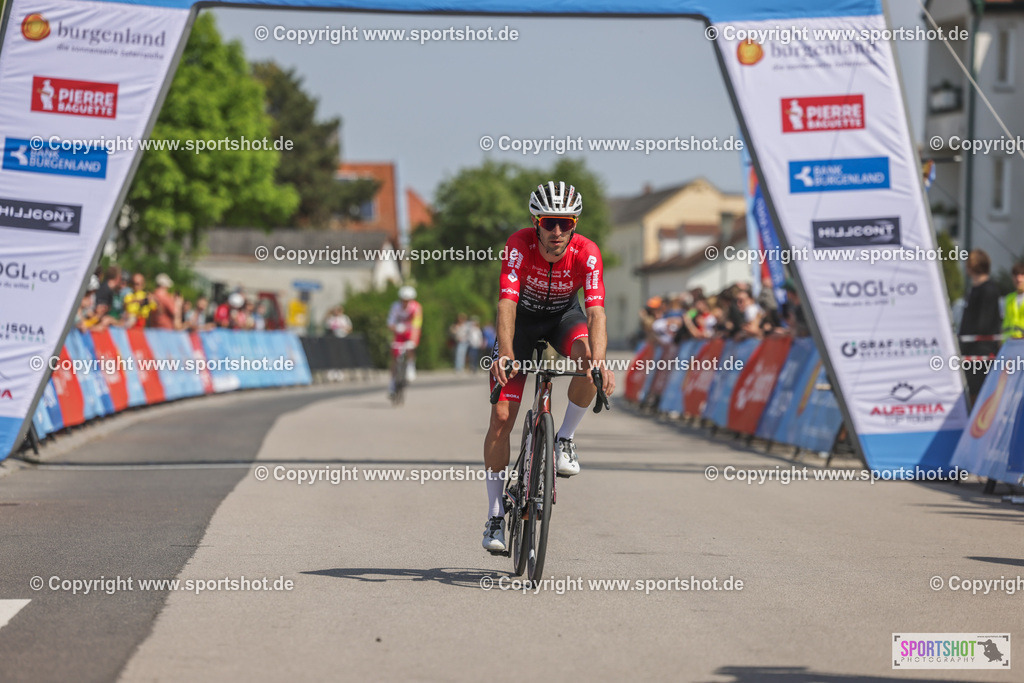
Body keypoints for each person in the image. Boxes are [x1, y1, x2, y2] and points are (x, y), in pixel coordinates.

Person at [483, 180, 616, 552]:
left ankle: (565, 439)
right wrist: (506, 354)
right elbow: (506, 304)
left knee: (589, 362)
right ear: (535, 222)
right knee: (500, 417)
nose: (557, 231)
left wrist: (600, 363)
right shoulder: (518, 245)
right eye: (548, 222)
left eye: (566, 223)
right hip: (521, 324)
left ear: (575, 224)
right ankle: (495, 515)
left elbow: (596, 311)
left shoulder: (588, 253)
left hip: (562, 319)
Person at [960, 250, 1003, 403]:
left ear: (973, 266)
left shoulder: (988, 290)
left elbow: (982, 324)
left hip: (981, 351)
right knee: (970, 391)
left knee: (978, 393)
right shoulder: (974, 289)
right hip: (971, 350)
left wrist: (966, 341)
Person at [387, 285, 423, 398]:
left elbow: (417, 325)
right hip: (399, 332)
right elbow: (390, 323)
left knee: (410, 348)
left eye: (407, 300)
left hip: (411, 332)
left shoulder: (416, 307)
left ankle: (411, 366)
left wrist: (413, 341)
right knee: (394, 355)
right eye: (403, 300)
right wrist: (396, 328)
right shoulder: (395, 306)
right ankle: (392, 384)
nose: (405, 303)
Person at [1003, 262, 1024, 340]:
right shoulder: (1009, 298)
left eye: (1022, 275)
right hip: (1009, 342)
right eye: (1016, 275)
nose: (1018, 279)